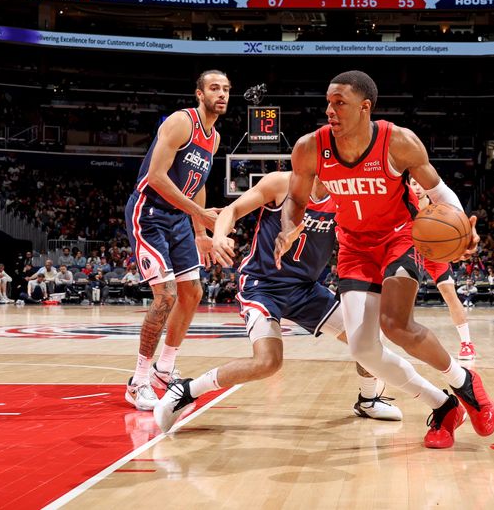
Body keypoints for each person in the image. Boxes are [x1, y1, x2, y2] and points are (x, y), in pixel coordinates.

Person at [281, 71, 494, 448]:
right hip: (353, 246)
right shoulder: (310, 148)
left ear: (365, 107)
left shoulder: (398, 141)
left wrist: (465, 228)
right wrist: (289, 226)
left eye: (340, 103)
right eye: (328, 102)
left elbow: (439, 191)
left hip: (399, 237)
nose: (330, 110)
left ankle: (465, 382)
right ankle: (444, 405)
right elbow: (296, 200)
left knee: (395, 324)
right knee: (362, 348)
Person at [155, 171, 403, 433]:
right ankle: (187, 390)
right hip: (263, 286)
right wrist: (218, 236)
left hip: (306, 289)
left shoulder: (345, 197)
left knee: (366, 337)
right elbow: (232, 209)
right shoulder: (282, 183)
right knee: (268, 362)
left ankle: (367, 399)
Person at [123, 70, 227, 411]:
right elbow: (155, 177)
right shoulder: (183, 122)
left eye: (226, 89)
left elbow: (197, 181)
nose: (221, 94)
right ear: (199, 93)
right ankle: (138, 381)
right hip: (149, 212)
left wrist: (201, 232)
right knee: (165, 295)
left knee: (193, 291)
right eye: (214, 88)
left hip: (180, 219)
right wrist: (200, 212)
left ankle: (163, 371)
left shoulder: (213, 137)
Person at [409, 177, 475, 360]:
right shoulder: (404, 203)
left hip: (433, 253)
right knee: (402, 296)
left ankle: (467, 344)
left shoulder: (438, 206)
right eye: (414, 183)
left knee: (449, 294)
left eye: (420, 183)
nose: (418, 187)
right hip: (409, 250)